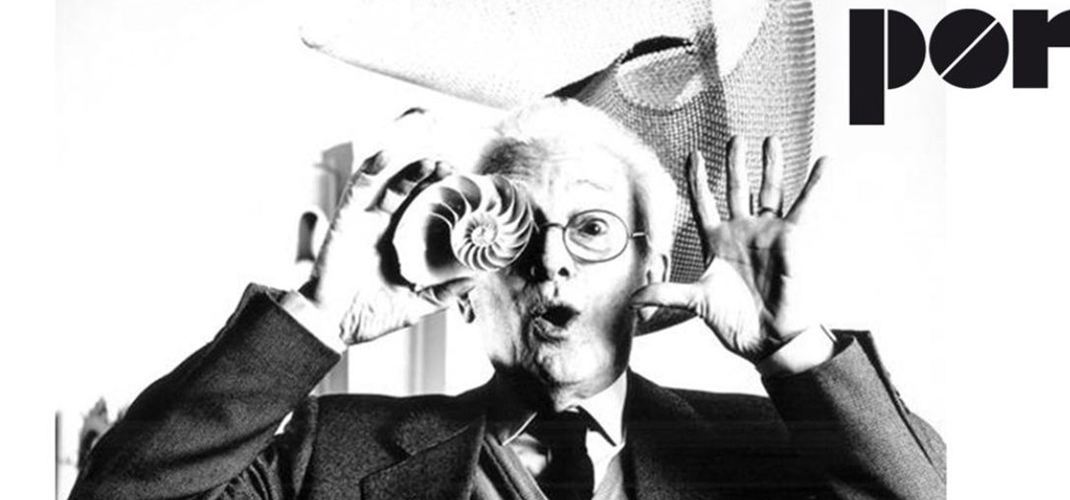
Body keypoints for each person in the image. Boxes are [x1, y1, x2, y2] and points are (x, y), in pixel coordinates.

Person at [70, 99, 945, 500]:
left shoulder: (760, 453)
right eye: (519, 237)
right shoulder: (329, 454)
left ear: (648, 279)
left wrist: (795, 350)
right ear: (463, 289)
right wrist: (317, 316)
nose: (551, 263)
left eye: (593, 229)